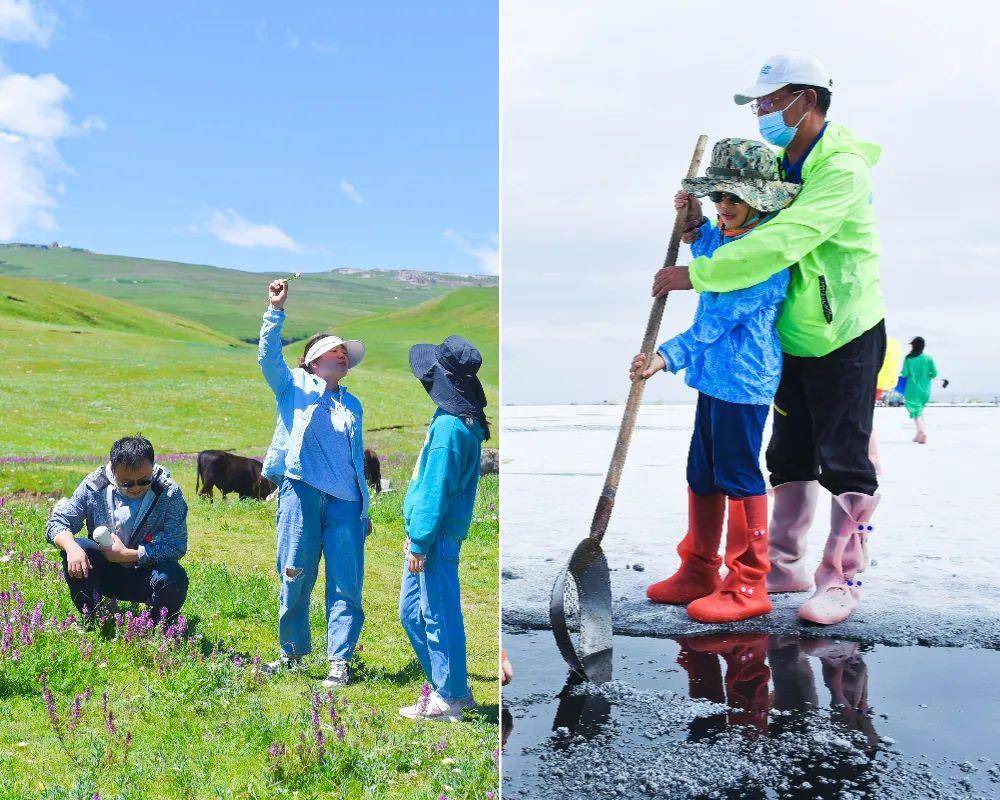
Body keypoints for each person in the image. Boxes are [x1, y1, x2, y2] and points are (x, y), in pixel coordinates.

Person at [652, 52, 887, 626]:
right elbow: (738, 230)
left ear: (805, 99)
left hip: (842, 331)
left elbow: (782, 241)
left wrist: (694, 275)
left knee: (845, 457)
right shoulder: (783, 161)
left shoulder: (841, 169)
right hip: (787, 337)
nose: (760, 111)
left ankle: (841, 578)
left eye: (767, 100)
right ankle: (780, 565)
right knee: (787, 454)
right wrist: (694, 230)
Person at [632, 138, 798, 623]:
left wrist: (664, 356)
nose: (723, 207)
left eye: (733, 199)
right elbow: (706, 245)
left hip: (745, 383)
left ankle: (749, 581)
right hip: (714, 382)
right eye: (717, 198)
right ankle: (699, 569)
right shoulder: (730, 238)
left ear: (760, 203)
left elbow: (716, 321)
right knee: (702, 472)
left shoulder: (766, 256)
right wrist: (691, 222)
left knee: (739, 475)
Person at [258, 278, 371, 689]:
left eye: (345, 354)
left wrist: (365, 508)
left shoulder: (352, 403)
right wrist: (276, 310)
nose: (342, 358)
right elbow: (267, 358)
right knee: (295, 573)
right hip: (301, 492)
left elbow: (355, 460)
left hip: (345, 503)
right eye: (334, 352)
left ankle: (339, 661)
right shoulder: (292, 387)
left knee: (346, 581)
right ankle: (291, 653)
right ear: (313, 361)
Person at [398, 335, 489, 721]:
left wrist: (420, 540)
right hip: (431, 535)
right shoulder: (458, 422)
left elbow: (435, 489)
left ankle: (451, 694)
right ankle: (447, 686)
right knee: (413, 612)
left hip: (432, 539)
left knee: (437, 612)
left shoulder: (451, 428)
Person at [45, 435, 189, 621]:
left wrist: (129, 555)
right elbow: (56, 522)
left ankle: (158, 628)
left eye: (144, 481)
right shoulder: (94, 486)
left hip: (146, 574)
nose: (136, 488)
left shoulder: (169, 492)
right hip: (105, 573)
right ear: (113, 471)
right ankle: (93, 618)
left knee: (173, 577)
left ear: (152, 467)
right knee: (79, 548)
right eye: (127, 483)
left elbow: (176, 545)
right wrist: (71, 547)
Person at [900, 336, 938, 444]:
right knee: (919, 411)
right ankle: (918, 434)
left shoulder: (909, 358)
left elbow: (904, 373)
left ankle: (922, 431)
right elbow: (935, 374)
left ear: (913, 346)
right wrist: (927, 375)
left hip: (912, 389)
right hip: (925, 390)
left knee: (916, 413)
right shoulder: (928, 359)